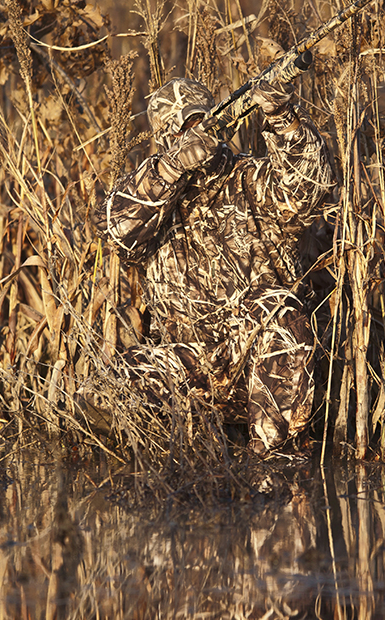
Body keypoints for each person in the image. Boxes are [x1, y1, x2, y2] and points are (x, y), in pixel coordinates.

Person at [103, 76, 335, 457]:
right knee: (116, 381)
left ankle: (271, 463)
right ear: (166, 141)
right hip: (192, 364)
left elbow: (307, 191)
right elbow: (116, 229)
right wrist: (171, 168)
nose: (196, 135)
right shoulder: (156, 197)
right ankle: (173, 468)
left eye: (201, 121)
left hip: (264, 366)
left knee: (280, 310)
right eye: (183, 130)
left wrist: (283, 117)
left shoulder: (250, 178)